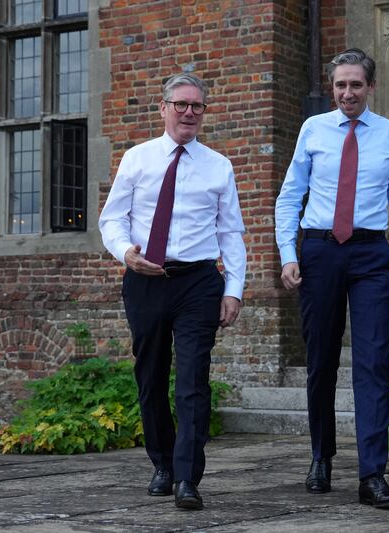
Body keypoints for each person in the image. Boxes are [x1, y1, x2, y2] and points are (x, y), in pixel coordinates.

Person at [274, 48, 389, 509]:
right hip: (319, 252)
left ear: (370, 87)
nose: (348, 93)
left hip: (372, 254)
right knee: (321, 360)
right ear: (332, 87)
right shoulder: (313, 130)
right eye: (340, 85)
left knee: (372, 363)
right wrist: (287, 253)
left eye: (356, 85)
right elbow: (289, 195)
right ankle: (321, 455)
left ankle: (372, 474)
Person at [99, 72, 246, 510]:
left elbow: (232, 233)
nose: (188, 112)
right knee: (151, 376)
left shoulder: (219, 165)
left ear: (203, 112)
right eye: (180, 104)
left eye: (197, 106)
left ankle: (187, 477)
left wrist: (233, 289)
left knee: (193, 380)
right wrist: (126, 253)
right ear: (162, 108)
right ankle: (162, 463)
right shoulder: (137, 159)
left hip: (198, 282)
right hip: (145, 279)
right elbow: (112, 218)